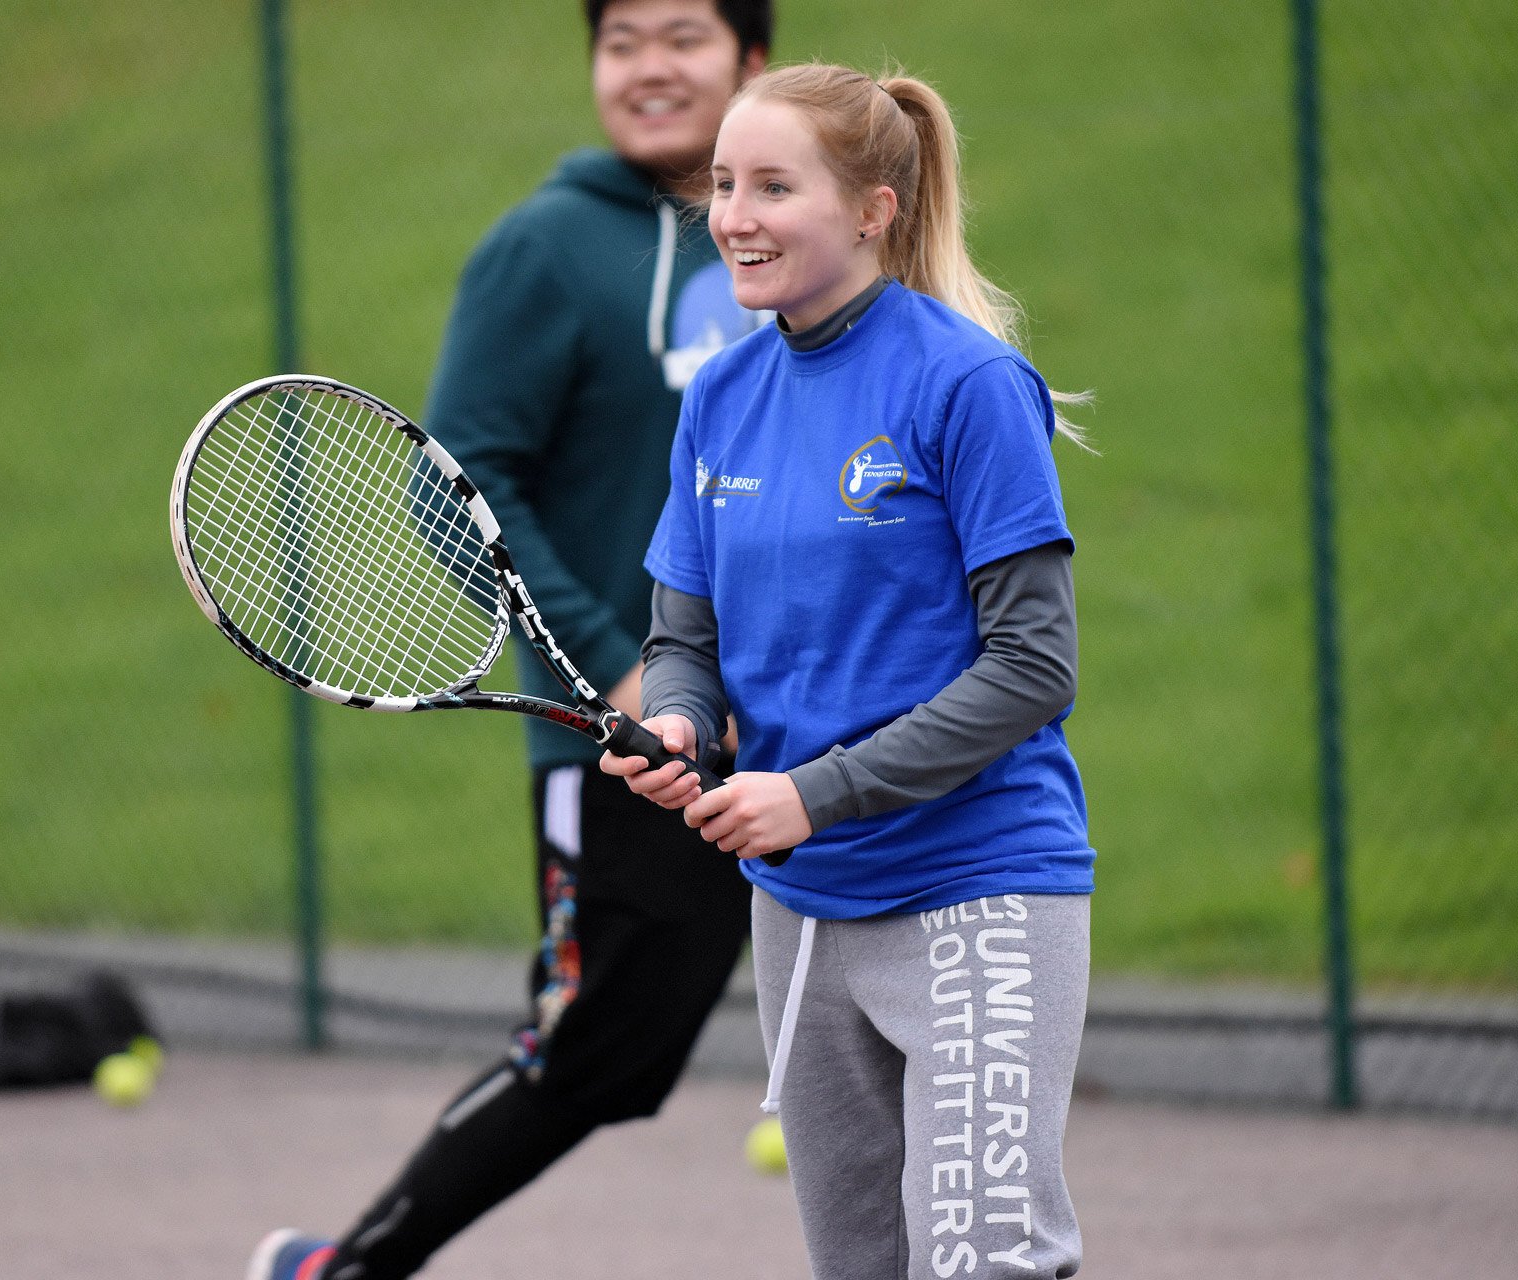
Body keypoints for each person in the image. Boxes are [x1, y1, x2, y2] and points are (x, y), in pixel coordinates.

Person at [247, 3, 772, 1278]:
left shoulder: (796, 237)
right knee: (596, 1047)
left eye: (684, 35)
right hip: (640, 747)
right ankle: (342, 1267)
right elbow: (458, 478)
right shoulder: (544, 249)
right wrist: (620, 666)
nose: (650, 66)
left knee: (892, 1018)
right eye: (621, 40)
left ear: (755, 61)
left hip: (820, 732)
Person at [602, 63, 1096, 1280]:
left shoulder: (967, 383)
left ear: (873, 209)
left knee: (987, 1261)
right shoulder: (720, 396)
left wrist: (813, 791)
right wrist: (677, 724)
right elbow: (686, 642)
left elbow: (1034, 665)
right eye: (723, 184)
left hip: (979, 886)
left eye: (776, 185)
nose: (735, 215)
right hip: (804, 908)